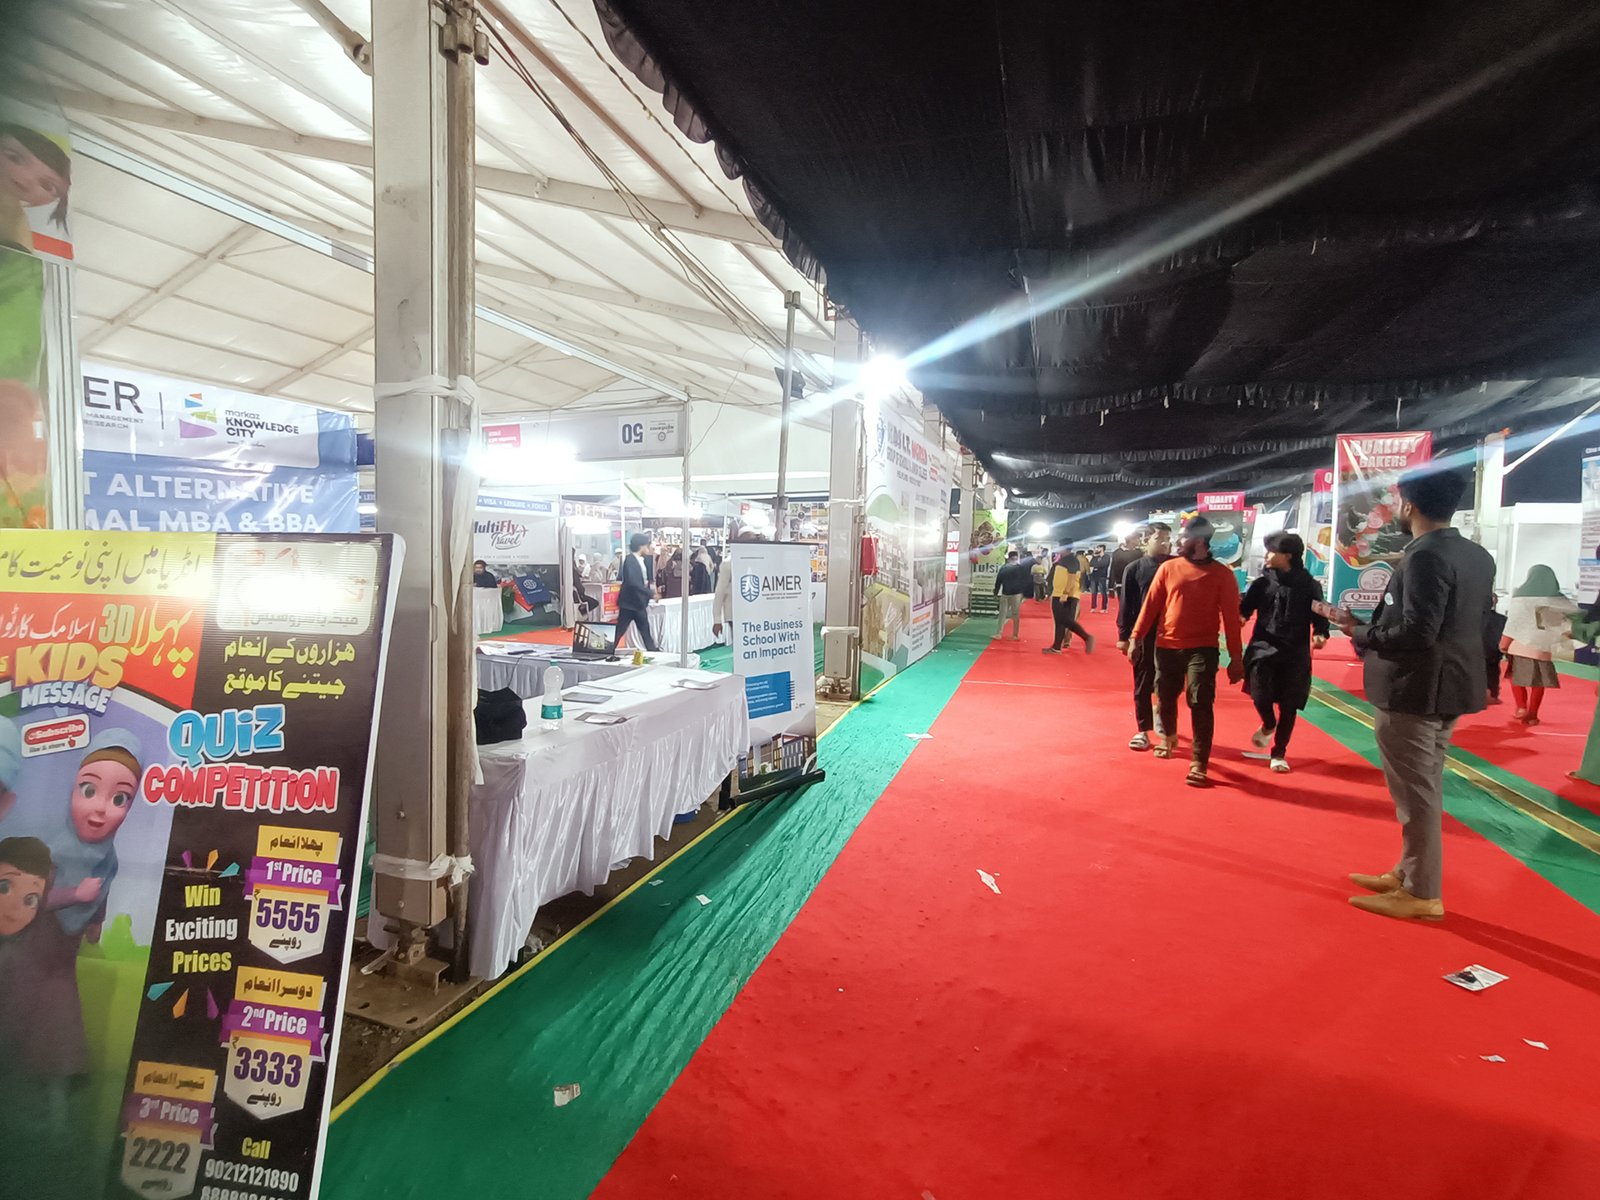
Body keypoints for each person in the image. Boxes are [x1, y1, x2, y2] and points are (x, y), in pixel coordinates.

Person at [1333, 466, 1494, 921]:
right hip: (1451, 685)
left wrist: (1359, 632)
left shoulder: (1424, 556)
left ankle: (1422, 892)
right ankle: (1408, 872)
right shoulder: (1476, 555)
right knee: (1424, 787)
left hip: (1414, 688)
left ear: (1408, 505)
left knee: (1416, 795)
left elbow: (1417, 632)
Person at [1130, 516, 1244, 787]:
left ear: (1200, 541)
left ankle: (1199, 762)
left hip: (1203, 649)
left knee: (1200, 701)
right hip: (1166, 646)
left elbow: (1231, 619)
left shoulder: (1222, 575)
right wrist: (1135, 637)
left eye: (1183, 536)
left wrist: (1236, 659)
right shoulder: (1169, 568)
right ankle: (1168, 736)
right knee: (1165, 697)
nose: (1177, 541)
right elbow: (1151, 606)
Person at [1239, 532, 1329, 773]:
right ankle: (1268, 723)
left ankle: (1279, 753)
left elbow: (1319, 614)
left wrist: (1321, 634)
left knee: (1289, 705)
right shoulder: (1262, 584)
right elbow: (1245, 608)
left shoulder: (1309, 585)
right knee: (1260, 695)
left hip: (1295, 652)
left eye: (1272, 551)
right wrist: (1239, 616)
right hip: (1262, 648)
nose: (1266, 556)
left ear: (1288, 555)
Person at [1117, 523, 1173, 751]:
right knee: (1142, 682)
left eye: (1168, 538)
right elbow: (1126, 605)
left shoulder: (1177, 565)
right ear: (1146, 540)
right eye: (1160, 538)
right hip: (1143, 634)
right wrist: (1125, 636)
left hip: (1172, 634)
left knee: (1169, 683)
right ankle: (1143, 731)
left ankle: (1162, 716)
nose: (1165, 543)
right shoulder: (1134, 569)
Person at [1500, 564, 1577, 727]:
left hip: (1520, 645)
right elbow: (1573, 618)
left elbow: (1514, 623)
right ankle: (1533, 713)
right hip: (1542, 647)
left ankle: (1521, 707)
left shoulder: (1521, 597)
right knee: (1539, 683)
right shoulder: (1558, 599)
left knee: (1516, 677)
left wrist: (1504, 642)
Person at [1043, 544, 1095, 655]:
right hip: (1061, 593)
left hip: (1066, 595)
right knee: (1060, 621)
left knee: (1066, 620)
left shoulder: (1070, 560)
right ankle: (1057, 647)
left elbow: (1072, 577)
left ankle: (1086, 637)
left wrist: (1065, 593)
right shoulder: (1066, 560)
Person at [615, 531, 659, 652]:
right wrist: (650, 593)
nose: (648, 548)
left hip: (638, 603)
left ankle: (653, 651)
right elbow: (632, 582)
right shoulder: (630, 560)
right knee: (620, 630)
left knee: (645, 632)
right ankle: (607, 649)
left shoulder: (641, 560)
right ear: (642, 546)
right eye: (647, 545)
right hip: (629, 603)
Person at [993, 549, 1031, 640]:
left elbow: (998, 581)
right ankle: (1014, 635)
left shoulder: (1004, 568)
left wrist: (995, 592)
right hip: (1015, 594)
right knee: (1013, 614)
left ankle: (1000, 634)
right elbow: (1026, 581)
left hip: (1009, 593)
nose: (1014, 560)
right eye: (1014, 559)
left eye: (1015, 559)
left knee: (1005, 614)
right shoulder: (1020, 568)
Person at [1109, 531, 1144, 612]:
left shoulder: (1139, 553)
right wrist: (1111, 587)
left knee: (1137, 609)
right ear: (1131, 540)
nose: (1139, 540)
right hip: (1121, 585)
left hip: (1137, 585)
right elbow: (1113, 569)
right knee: (1125, 609)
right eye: (1137, 538)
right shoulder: (1117, 553)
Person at [1483, 596, 1506, 706]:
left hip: (1478, 648)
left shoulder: (1473, 618)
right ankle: (1493, 694)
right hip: (1494, 649)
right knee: (1493, 672)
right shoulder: (1502, 619)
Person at [1087, 547, 1112, 612]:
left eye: (1098, 548)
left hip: (1102, 576)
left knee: (1103, 592)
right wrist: (1095, 557)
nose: (1097, 549)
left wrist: (1096, 566)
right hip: (1094, 576)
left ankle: (1104, 608)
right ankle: (1093, 607)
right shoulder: (1095, 557)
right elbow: (1091, 564)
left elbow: (1104, 564)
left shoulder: (1106, 557)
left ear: (1102, 548)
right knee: (1093, 592)